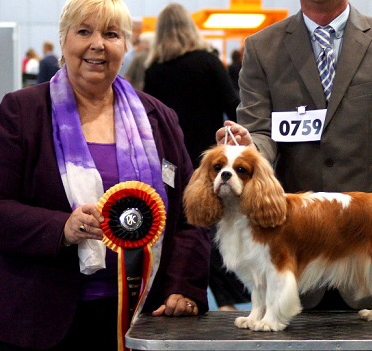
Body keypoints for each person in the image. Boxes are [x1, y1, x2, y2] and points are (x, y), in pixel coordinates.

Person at [0, 1, 210, 350]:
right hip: (40, 316)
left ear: (126, 45)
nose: (98, 44)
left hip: (143, 317)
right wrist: (60, 228)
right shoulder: (23, 110)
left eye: (111, 34)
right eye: (84, 31)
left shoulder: (159, 117)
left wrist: (184, 286)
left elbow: (192, 215)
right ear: (63, 40)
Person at [217, 0, 372, 310]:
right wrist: (248, 149)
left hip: (369, 247)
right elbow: (260, 133)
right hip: (292, 251)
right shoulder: (261, 47)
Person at [142, 3, 244, 311]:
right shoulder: (208, 62)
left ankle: (177, 290)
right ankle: (227, 299)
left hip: (169, 164)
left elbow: (151, 118)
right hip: (209, 162)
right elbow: (234, 106)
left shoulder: (154, 70)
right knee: (213, 227)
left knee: (179, 227)